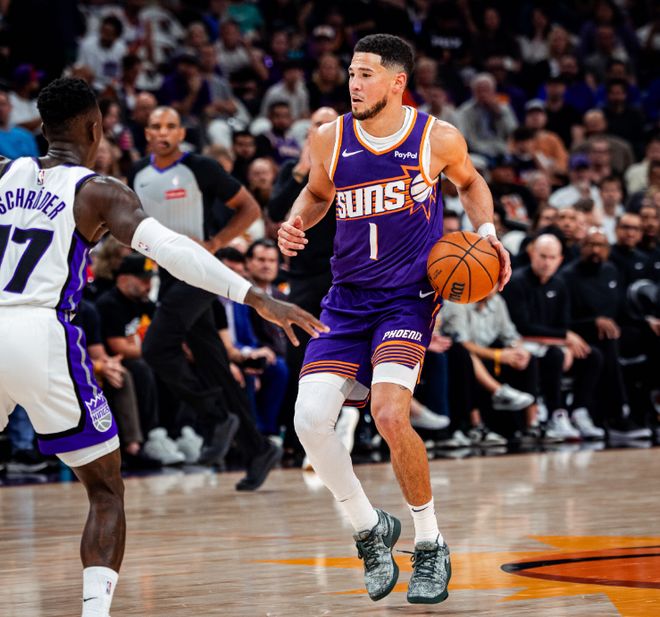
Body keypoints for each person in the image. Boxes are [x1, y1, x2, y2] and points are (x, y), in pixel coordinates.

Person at [0, 77, 325, 617]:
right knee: (105, 490)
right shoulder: (98, 190)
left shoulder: (4, 173)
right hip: (41, 332)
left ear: (42, 128)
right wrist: (258, 298)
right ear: (95, 128)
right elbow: (175, 250)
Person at [278, 35, 510, 604]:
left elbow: (471, 183)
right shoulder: (329, 137)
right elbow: (316, 193)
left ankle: (430, 543)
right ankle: (369, 528)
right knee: (309, 421)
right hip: (346, 297)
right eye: (351, 74)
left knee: (388, 413)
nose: (353, 84)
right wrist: (295, 221)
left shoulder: (437, 137)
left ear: (397, 82)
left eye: (365, 74)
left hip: (408, 298)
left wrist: (486, 235)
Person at [129, 106, 293, 490]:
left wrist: (216, 243)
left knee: (155, 348)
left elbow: (249, 208)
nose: (163, 132)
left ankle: (215, 415)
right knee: (215, 364)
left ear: (181, 133)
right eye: (156, 126)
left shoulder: (200, 167)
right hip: (165, 276)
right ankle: (257, 448)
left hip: (198, 273)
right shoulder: (136, 173)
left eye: (171, 126)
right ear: (146, 132)